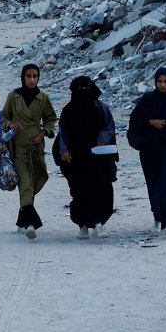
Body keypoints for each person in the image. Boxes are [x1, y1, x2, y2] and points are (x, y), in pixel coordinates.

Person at [53, 76, 117, 239]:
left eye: (86, 89)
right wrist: (64, 151)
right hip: (76, 159)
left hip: (98, 157)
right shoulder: (68, 110)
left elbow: (109, 126)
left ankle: (98, 224)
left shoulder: (100, 108)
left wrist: (102, 140)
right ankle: (82, 225)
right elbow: (63, 132)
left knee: (101, 190)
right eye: (79, 90)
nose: (83, 93)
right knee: (79, 191)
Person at [127, 66, 166, 236]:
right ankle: (157, 219)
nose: (162, 85)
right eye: (160, 81)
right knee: (154, 184)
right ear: (155, 82)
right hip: (149, 150)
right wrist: (150, 122)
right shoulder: (147, 99)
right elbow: (134, 120)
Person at [1, 64, 56, 238]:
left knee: (36, 181)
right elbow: (4, 117)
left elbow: (50, 119)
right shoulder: (14, 96)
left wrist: (43, 133)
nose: (32, 80)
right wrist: (10, 124)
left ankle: (22, 219)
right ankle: (32, 223)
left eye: (35, 76)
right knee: (25, 182)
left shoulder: (43, 98)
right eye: (28, 76)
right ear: (23, 77)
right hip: (18, 147)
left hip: (36, 148)